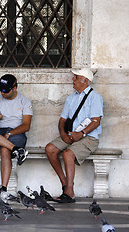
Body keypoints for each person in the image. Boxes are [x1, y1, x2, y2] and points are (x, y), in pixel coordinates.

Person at [45, 68, 104, 203]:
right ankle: (65, 185)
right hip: (71, 135)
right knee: (50, 149)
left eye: (76, 77)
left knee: (68, 154)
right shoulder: (71, 98)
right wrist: (63, 134)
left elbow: (96, 121)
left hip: (89, 137)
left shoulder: (95, 97)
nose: (73, 80)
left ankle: (69, 193)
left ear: (85, 81)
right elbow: (62, 120)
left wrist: (82, 133)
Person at [0, 74, 33, 202]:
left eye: (6, 90)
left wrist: (10, 133)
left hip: (17, 133)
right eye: (1, 90)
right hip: (0, 132)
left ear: (15, 88)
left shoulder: (24, 101)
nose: (3, 93)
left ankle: (3, 189)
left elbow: (26, 125)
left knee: (4, 149)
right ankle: (17, 150)